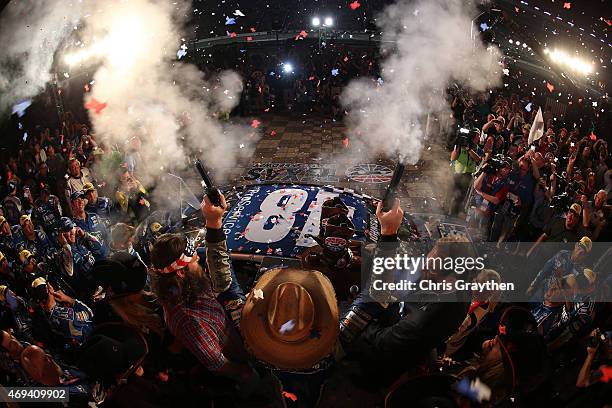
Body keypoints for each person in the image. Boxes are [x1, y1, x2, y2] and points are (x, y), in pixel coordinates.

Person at [149, 194, 256, 386]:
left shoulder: (182, 282)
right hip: (242, 351)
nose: (198, 259)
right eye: (194, 261)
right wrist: (247, 375)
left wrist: (213, 221)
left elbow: (217, 261)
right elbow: (217, 363)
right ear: (181, 273)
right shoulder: (188, 320)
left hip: (230, 321)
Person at [30, 277, 94, 347]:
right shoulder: (83, 315)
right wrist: (66, 298)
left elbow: (51, 310)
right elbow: (88, 312)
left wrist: (53, 295)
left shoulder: (70, 320)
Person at [69, 191, 109, 258]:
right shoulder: (73, 226)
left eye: (82, 199)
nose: (80, 202)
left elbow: (105, 234)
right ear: (72, 204)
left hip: (106, 255)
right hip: (95, 264)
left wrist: (109, 250)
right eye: (77, 200)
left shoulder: (95, 216)